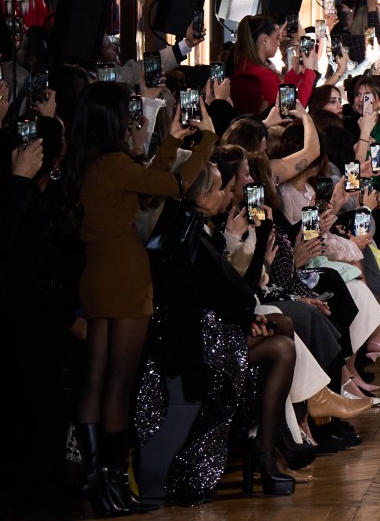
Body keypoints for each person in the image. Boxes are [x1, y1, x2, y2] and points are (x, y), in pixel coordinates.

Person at [68, 82, 217, 516]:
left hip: (96, 276)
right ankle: (113, 480)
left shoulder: (89, 163)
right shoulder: (115, 163)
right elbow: (176, 185)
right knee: (119, 383)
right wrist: (206, 139)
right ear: (110, 121)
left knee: (95, 380)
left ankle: (99, 481)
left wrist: (170, 141)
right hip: (126, 278)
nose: (132, 121)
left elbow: (149, 188)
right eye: (127, 115)